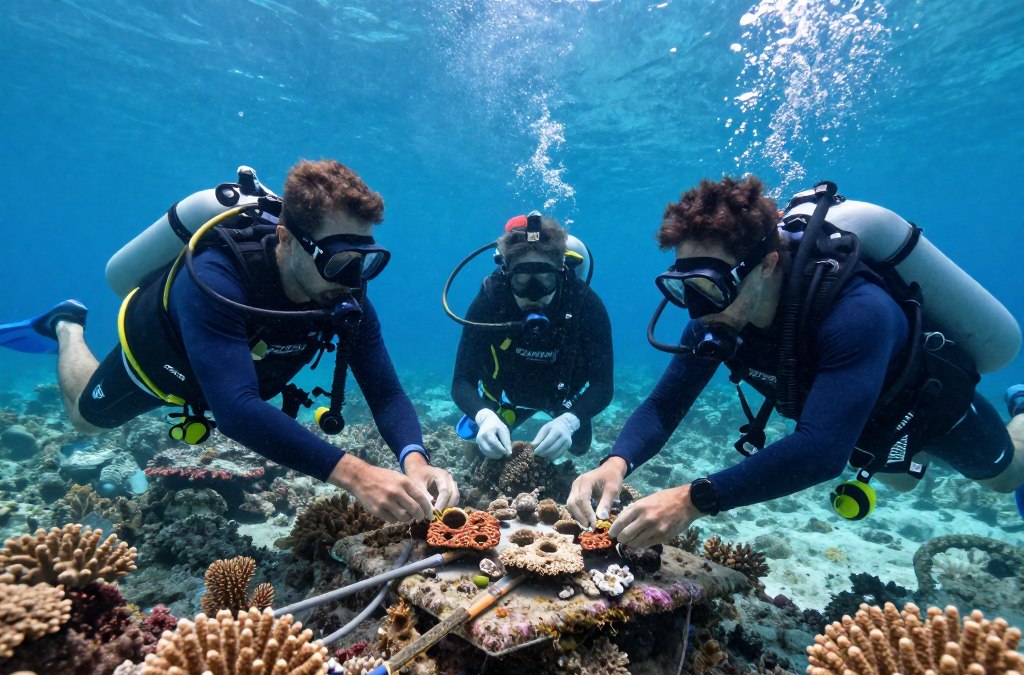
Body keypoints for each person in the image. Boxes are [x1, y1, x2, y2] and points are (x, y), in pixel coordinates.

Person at [566, 176, 1024, 546]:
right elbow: (663, 406)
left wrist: (691, 500)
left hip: (927, 405)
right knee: (902, 481)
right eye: (683, 286)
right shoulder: (719, 316)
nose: (697, 308)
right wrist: (616, 462)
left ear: (766, 265)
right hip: (856, 423)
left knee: (1003, 476)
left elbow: (821, 452)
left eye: (710, 284)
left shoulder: (857, 312)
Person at [1, 159, 458, 523]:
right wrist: (356, 475)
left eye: (366, 259)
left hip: (232, 376)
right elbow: (236, 409)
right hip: (161, 363)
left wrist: (414, 460)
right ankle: (66, 325)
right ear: (287, 240)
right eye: (339, 259)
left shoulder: (344, 288)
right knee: (85, 419)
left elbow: (385, 389)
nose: (355, 277)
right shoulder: (218, 275)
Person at [451, 213, 613, 460]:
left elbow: (603, 385)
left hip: (563, 400)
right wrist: (484, 416)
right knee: (484, 456)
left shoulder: (584, 302)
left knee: (579, 448)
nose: (534, 294)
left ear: (561, 272)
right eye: (523, 280)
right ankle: (499, 415)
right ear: (507, 275)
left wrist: (570, 421)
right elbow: (462, 381)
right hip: (507, 398)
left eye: (546, 280)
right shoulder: (490, 301)